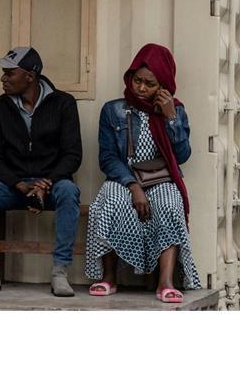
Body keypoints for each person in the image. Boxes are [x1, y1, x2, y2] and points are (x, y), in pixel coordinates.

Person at [85, 44, 199, 302]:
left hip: (161, 179)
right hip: (123, 178)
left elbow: (182, 156)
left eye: (150, 83)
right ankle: (109, 277)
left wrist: (170, 118)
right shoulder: (113, 110)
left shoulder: (176, 110)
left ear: (163, 85)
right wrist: (133, 186)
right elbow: (107, 158)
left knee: (170, 204)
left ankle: (166, 282)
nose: (142, 88)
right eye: (138, 80)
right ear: (130, 76)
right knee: (109, 202)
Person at [0, 47, 82, 297]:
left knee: (70, 191)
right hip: (12, 186)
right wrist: (18, 183)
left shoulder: (64, 103)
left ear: (30, 76)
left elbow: (72, 154)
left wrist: (46, 182)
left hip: (50, 186)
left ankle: (60, 272)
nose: (3, 78)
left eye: (9, 73)